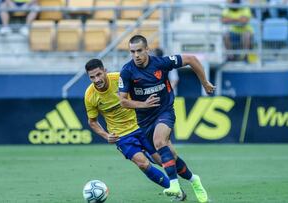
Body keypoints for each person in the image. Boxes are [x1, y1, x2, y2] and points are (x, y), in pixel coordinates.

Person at [119, 34, 214, 202]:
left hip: (164, 111)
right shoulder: (127, 71)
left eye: (139, 51)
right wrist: (144, 105)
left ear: (147, 49)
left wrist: (205, 83)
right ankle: (194, 180)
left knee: (160, 141)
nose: (136, 55)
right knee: (170, 158)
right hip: (145, 120)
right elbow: (123, 101)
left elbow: (191, 59)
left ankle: (174, 185)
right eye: (132, 52)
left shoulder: (161, 63)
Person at [84, 59, 172, 195]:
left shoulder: (121, 78)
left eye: (99, 74)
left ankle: (189, 179)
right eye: (92, 77)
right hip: (121, 136)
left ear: (105, 71)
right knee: (142, 164)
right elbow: (92, 122)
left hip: (141, 126)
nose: (96, 79)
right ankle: (176, 192)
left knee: (162, 161)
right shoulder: (90, 96)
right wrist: (106, 135)